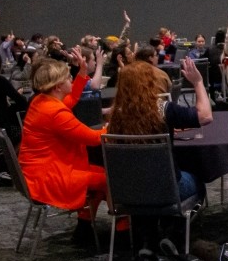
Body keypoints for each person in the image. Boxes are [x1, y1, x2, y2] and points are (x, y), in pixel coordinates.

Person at [18, 56, 110, 244]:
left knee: (101, 174)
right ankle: (123, 231)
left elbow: (71, 98)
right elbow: (94, 138)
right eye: (69, 77)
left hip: (36, 173)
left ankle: (84, 228)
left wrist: (82, 74)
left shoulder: (41, 101)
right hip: (50, 177)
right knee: (110, 180)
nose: (71, 79)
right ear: (58, 86)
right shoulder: (55, 113)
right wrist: (116, 126)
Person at [107, 57, 212, 202]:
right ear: (149, 83)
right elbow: (205, 116)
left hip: (128, 191)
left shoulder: (116, 115)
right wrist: (198, 82)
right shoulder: (162, 109)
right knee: (198, 178)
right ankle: (176, 223)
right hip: (166, 189)